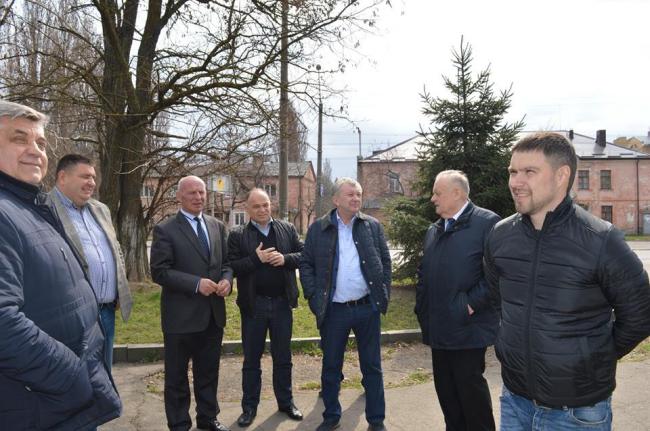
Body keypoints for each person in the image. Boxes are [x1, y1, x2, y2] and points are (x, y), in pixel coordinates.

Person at [484, 132, 650, 430]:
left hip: (577, 413)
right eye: (512, 171)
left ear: (561, 175)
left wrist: (592, 358)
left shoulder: (601, 240)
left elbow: (640, 315)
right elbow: (500, 303)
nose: (515, 182)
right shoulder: (500, 235)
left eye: (529, 172)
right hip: (514, 400)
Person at [0, 100, 121, 429]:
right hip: (46, 402)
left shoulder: (30, 204)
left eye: (40, 143)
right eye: (19, 139)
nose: (35, 150)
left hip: (65, 400)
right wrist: (72, 377)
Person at [300, 177, 391, 431]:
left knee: (372, 366)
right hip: (334, 311)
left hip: (367, 308)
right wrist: (313, 296)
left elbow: (385, 262)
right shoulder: (318, 229)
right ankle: (331, 417)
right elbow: (306, 264)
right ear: (336, 199)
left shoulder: (372, 226)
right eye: (350, 194)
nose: (356, 198)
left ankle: (376, 420)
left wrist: (383, 291)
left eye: (358, 194)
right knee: (331, 366)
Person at [415, 170, 499, 431]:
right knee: (448, 396)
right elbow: (425, 273)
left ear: (457, 193)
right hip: (438, 328)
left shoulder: (487, 223)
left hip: (467, 328)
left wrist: (468, 305)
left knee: (470, 396)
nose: (433, 199)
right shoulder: (435, 229)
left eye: (437, 193)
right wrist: (422, 308)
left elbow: (497, 274)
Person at [150, 175, 233, 431]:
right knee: (176, 377)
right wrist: (196, 284)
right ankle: (179, 424)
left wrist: (227, 280)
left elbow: (227, 263)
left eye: (201, 192)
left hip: (212, 315)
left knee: (208, 372)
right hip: (181, 317)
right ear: (179, 197)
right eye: (192, 193)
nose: (198, 197)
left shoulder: (217, 226)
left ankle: (208, 418)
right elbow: (160, 271)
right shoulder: (165, 229)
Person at [227, 188, 304, 427]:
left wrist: (285, 259)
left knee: (283, 357)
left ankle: (286, 402)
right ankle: (249, 408)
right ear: (247, 209)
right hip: (254, 306)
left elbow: (305, 255)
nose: (262, 210)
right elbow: (231, 266)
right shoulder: (238, 235)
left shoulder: (287, 228)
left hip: (282, 303)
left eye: (266, 205)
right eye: (256, 206)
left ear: (271, 205)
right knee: (251, 360)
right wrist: (255, 259)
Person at [50, 154, 133, 372]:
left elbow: (115, 249)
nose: (92, 183)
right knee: (74, 374)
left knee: (105, 373)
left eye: (94, 177)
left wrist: (117, 288)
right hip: (70, 314)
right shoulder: (44, 208)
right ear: (62, 178)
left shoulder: (100, 209)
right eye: (85, 176)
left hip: (105, 311)